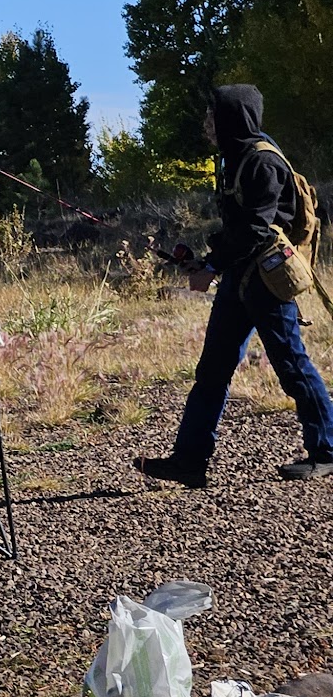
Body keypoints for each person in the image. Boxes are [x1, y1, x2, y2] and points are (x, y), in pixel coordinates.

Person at [136, 84, 333, 489]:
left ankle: (327, 451)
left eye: (214, 115)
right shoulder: (235, 158)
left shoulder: (261, 162)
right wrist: (206, 261)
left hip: (267, 281)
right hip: (239, 281)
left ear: (234, 117)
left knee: (292, 366)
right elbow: (238, 228)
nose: (207, 123)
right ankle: (189, 462)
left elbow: (257, 229)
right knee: (212, 371)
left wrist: (211, 266)